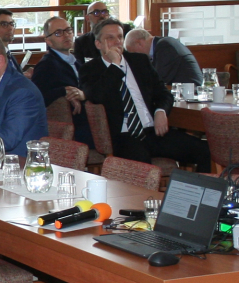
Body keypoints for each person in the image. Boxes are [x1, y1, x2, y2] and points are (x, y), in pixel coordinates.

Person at [80, 19, 212, 172]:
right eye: (110, 38)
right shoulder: (89, 69)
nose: (117, 42)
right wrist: (115, 66)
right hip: (123, 136)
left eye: (120, 37)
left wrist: (161, 111)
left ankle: (195, 188)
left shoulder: (139, 61)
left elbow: (163, 93)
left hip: (152, 131)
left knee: (206, 151)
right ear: (98, 44)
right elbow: (97, 96)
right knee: (142, 166)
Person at [31, 16, 94, 146]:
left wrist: (82, 94)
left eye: (68, 30)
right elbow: (37, 97)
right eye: (58, 33)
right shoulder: (47, 65)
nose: (66, 35)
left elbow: (90, 85)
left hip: (89, 119)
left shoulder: (77, 61)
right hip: (75, 128)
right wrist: (64, 92)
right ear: (48, 41)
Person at [124, 28, 203, 86]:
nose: (135, 57)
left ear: (139, 43)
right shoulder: (161, 44)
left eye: (133, 52)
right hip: (182, 91)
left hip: (190, 92)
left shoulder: (165, 46)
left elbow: (159, 79)